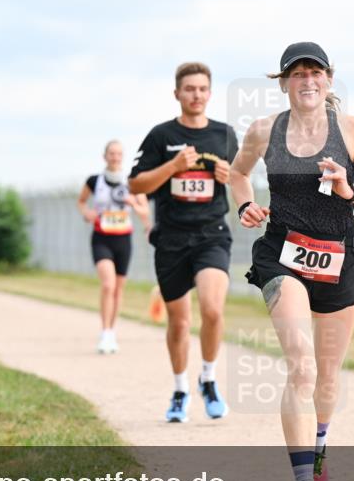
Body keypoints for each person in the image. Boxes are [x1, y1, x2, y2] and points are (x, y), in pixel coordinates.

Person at [229, 43, 354, 481]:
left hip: (341, 259)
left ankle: (319, 447)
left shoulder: (353, 130)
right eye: (297, 74)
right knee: (300, 367)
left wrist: (351, 191)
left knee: (326, 376)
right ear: (283, 83)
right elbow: (238, 175)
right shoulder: (264, 131)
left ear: (328, 80)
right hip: (284, 256)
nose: (307, 80)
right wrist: (245, 206)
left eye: (315, 72)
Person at [129, 62, 238, 423]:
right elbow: (136, 185)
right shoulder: (161, 136)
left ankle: (207, 378)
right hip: (172, 238)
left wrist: (229, 175)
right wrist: (172, 167)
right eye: (189, 89)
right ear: (177, 93)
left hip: (212, 235)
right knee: (178, 323)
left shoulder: (224, 134)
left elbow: (240, 180)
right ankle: (180, 390)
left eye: (202, 89)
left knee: (212, 309)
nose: (196, 95)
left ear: (209, 93)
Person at [78, 140, 151, 354]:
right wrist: (86, 213)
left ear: (123, 157)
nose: (115, 157)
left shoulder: (133, 182)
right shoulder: (94, 181)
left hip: (123, 240)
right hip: (101, 238)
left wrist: (132, 203)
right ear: (105, 156)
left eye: (119, 154)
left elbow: (145, 213)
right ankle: (104, 332)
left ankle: (112, 333)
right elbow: (81, 202)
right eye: (111, 153)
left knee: (118, 289)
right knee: (108, 285)